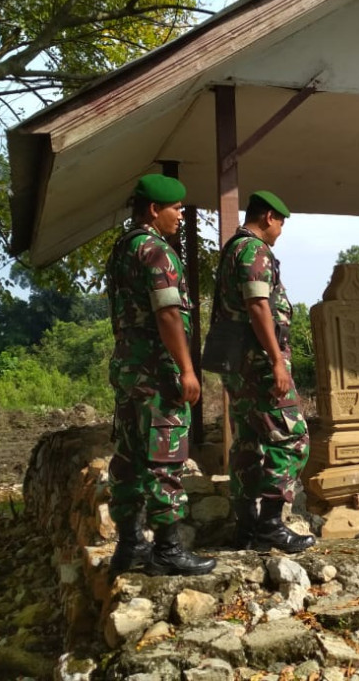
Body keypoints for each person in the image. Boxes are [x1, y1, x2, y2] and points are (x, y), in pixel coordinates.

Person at [105, 174, 216, 579]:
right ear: (154, 209)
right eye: (176, 208)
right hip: (158, 373)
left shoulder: (122, 248)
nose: (181, 215)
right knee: (164, 457)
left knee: (131, 458)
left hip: (130, 371)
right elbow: (168, 312)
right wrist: (187, 369)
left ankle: (130, 545)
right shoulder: (156, 251)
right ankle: (167, 549)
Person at [214, 190, 315, 553]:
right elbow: (258, 305)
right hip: (259, 366)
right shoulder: (253, 250)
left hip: (239, 366)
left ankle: (247, 528)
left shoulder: (232, 249)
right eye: (281, 223)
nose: (281, 232)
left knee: (248, 443)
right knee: (293, 437)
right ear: (269, 217)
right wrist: (276, 360)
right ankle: (270, 525)